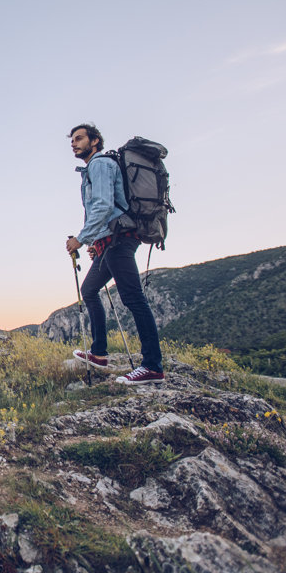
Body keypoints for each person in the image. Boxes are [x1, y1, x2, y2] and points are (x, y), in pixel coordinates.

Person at [65, 122, 165, 384]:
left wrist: (81, 238)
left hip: (119, 240)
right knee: (89, 291)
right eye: (72, 140)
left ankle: (152, 366)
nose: (74, 143)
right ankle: (98, 353)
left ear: (95, 141)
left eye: (79, 138)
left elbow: (103, 205)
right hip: (109, 241)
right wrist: (95, 240)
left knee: (133, 299)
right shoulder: (95, 168)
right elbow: (105, 209)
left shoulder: (100, 164)